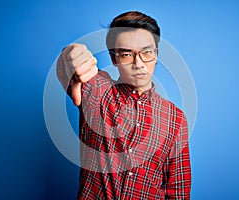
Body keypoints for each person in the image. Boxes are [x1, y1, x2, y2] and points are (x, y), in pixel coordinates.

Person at [57, 11, 191, 200]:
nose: (138, 63)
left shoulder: (175, 119)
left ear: (156, 55)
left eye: (146, 52)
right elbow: (67, 67)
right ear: (114, 59)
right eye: (127, 54)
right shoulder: (97, 91)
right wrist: (71, 56)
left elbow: (178, 191)